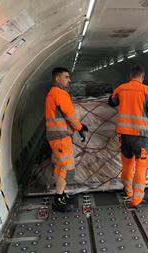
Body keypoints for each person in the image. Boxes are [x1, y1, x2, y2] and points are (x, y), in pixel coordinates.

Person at [108, 65, 148, 207]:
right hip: (140, 135)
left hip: (124, 134)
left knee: (127, 164)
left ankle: (128, 191)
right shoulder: (146, 90)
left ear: (130, 76)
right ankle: (137, 200)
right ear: (142, 77)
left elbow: (111, 102)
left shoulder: (121, 88)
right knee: (141, 166)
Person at [45, 67, 88, 212]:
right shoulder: (60, 93)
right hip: (60, 137)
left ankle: (61, 195)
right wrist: (80, 128)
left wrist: (79, 127)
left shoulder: (52, 93)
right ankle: (58, 201)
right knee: (68, 168)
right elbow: (69, 114)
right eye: (67, 77)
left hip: (57, 136)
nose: (69, 80)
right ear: (58, 79)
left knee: (60, 167)